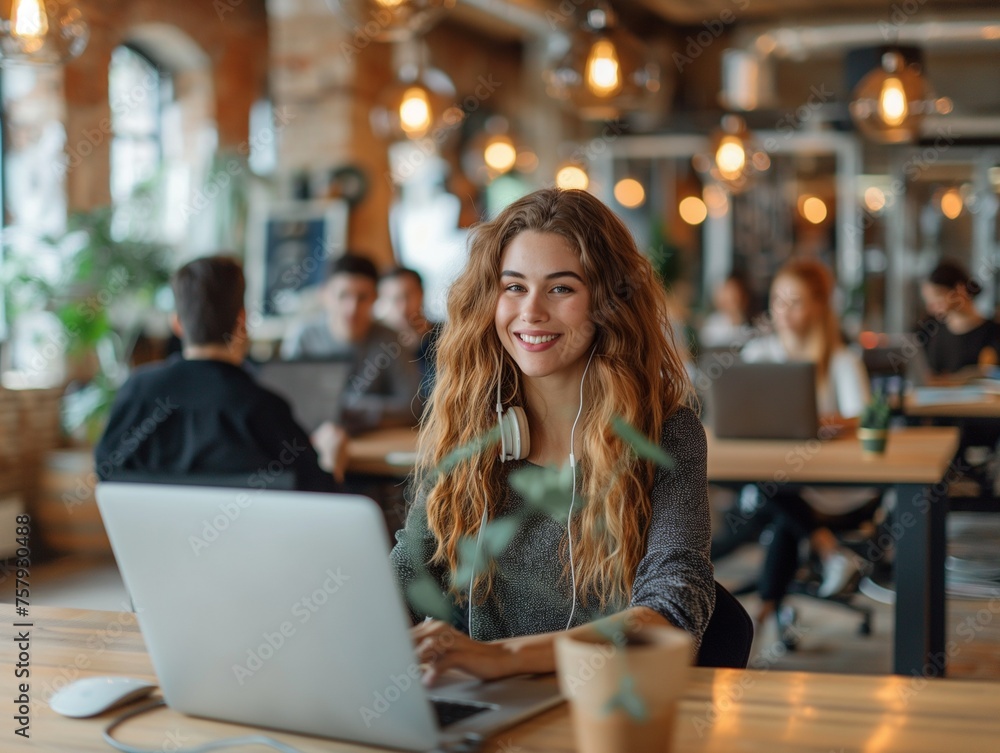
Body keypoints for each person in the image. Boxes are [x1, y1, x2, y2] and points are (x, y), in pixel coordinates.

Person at [389, 188, 715, 683]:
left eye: (561, 288)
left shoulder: (666, 435)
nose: (532, 311)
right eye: (514, 287)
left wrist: (505, 659)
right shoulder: (472, 430)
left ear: (607, 303)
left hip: (608, 711)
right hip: (492, 710)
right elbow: (407, 579)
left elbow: (672, 614)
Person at [95, 256, 337, 493]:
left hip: (154, 533)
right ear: (242, 321)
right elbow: (319, 496)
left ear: (177, 324)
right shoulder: (263, 408)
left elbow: (107, 474)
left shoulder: (136, 392)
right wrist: (332, 457)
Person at [740, 258, 876, 634]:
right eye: (777, 300)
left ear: (818, 305)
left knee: (778, 496)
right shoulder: (758, 355)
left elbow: (865, 416)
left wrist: (830, 423)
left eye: (794, 301)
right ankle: (828, 553)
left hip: (830, 487)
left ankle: (766, 611)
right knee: (778, 491)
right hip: (775, 481)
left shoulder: (841, 360)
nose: (782, 311)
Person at [281, 254, 424, 472]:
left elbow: (413, 405)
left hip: (375, 449)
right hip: (311, 448)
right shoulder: (302, 338)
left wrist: (346, 410)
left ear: (376, 297)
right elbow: (289, 405)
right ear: (325, 295)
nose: (352, 308)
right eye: (343, 296)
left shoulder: (391, 340)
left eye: (362, 297)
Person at [919, 260, 1000, 378]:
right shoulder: (933, 332)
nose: (931, 307)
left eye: (936, 297)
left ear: (959, 289)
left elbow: (988, 373)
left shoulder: (994, 332)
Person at [377, 267, 442, 399]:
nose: (402, 307)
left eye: (408, 296)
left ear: (422, 294)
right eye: (393, 299)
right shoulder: (377, 347)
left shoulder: (447, 336)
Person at [699, 273, 755, 350]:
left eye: (734, 298)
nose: (731, 304)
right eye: (728, 300)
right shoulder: (713, 324)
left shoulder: (750, 324)